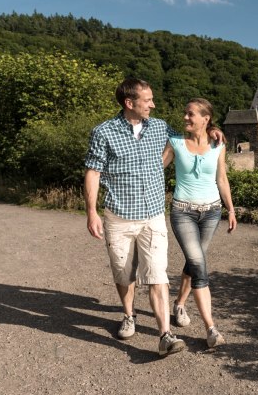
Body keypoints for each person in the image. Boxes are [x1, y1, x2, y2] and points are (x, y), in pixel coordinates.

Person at [84, 78, 223, 357]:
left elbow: (190, 137)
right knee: (124, 272)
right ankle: (128, 314)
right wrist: (91, 212)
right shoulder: (104, 132)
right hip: (119, 215)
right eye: (147, 100)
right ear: (130, 103)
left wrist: (214, 129)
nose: (153, 104)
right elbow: (93, 172)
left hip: (153, 214)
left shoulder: (160, 127)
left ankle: (165, 335)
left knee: (157, 274)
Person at [162, 97, 237, 349]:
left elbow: (222, 179)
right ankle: (211, 328)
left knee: (195, 261)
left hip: (212, 212)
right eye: (185, 113)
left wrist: (231, 209)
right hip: (183, 211)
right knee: (198, 264)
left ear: (205, 119)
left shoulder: (218, 145)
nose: (185, 117)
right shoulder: (175, 143)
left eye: (190, 114)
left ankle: (180, 304)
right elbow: (155, 168)